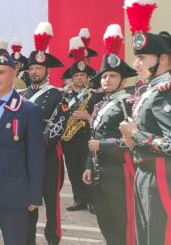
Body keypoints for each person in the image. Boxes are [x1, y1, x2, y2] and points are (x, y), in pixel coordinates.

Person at [0, 47, 45, 245]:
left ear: (14, 74)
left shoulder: (29, 110)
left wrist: (34, 196)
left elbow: (36, 156)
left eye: (1, 72)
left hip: (14, 195)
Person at [121, 0, 171, 243]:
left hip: (160, 174)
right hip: (144, 171)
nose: (136, 63)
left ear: (162, 59)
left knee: (159, 237)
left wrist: (135, 134)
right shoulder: (152, 89)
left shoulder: (166, 90)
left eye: (142, 57)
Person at [81, 24, 137, 245]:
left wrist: (102, 146)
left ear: (122, 80)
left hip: (120, 170)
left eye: (112, 76)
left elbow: (134, 140)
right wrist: (87, 164)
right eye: (104, 76)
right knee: (104, 220)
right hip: (98, 171)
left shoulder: (128, 103)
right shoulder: (101, 103)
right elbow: (92, 137)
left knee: (122, 223)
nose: (106, 80)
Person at [18, 22, 65, 245]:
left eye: (38, 68)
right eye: (31, 68)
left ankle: (53, 239)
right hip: (25, 154)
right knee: (29, 200)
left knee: (51, 200)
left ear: (47, 70)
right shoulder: (21, 94)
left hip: (48, 154)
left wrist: (38, 146)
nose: (34, 71)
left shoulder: (57, 94)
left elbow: (59, 124)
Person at [59, 37, 101, 213]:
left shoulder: (95, 95)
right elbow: (61, 112)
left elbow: (100, 117)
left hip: (86, 137)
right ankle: (79, 200)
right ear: (72, 78)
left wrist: (88, 115)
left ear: (87, 77)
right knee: (74, 169)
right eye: (75, 75)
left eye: (82, 75)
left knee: (88, 168)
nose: (79, 78)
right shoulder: (65, 94)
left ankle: (93, 201)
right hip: (69, 138)